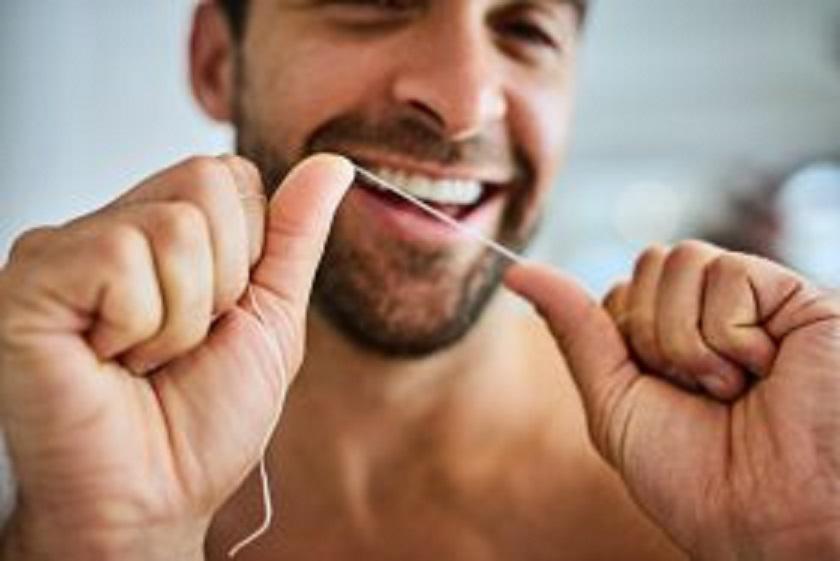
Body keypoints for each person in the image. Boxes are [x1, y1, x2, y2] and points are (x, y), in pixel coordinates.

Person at [1, 1, 839, 559]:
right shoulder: (57, 469)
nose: (465, 102)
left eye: (524, 30)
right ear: (220, 60)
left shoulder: (718, 508)